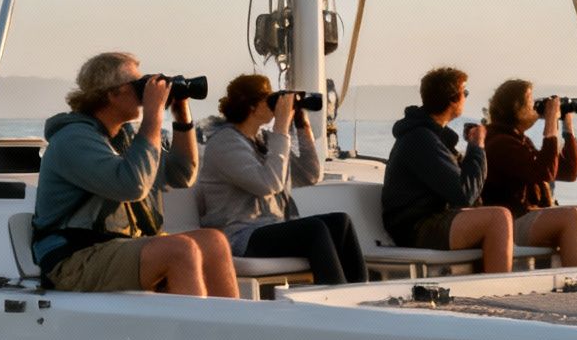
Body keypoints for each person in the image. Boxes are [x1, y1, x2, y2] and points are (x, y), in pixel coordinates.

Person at [30, 52, 237, 296]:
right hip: (74, 259)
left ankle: (230, 329)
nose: (145, 93)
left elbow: (183, 174)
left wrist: (181, 116)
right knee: (180, 250)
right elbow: (132, 186)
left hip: (117, 248)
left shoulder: (124, 137)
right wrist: (153, 115)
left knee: (214, 242)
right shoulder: (73, 140)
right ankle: (196, 331)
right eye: (139, 85)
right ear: (111, 93)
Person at [197, 75, 368, 286]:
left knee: (340, 222)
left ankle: (359, 294)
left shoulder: (264, 140)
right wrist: (281, 126)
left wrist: (300, 124)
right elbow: (269, 184)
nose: (275, 104)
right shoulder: (224, 143)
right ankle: (335, 301)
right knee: (314, 230)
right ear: (252, 106)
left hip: (270, 228)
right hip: (241, 237)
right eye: (268, 98)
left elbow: (310, 174)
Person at [380, 67, 514, 272]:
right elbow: (464, 194)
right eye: (465, 93)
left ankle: (484, 287)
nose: (466, 98)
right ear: (453, 99)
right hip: (417, 228)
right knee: (498, 217)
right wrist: (477, 146)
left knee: (496, 215)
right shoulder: (421, 139)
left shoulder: (433, 137)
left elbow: (465, 190)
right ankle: (502, 292)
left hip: (432, 220)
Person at [481, 79, 577, 268]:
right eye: (532, 102)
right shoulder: (499, 143)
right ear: (516, 108)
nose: (537, 107)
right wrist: (550, 124)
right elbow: (544, 172)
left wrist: (567, 127)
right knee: (568, 216)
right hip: (510, 224)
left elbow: (568, 172)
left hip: (531, 216)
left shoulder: (518, 140)